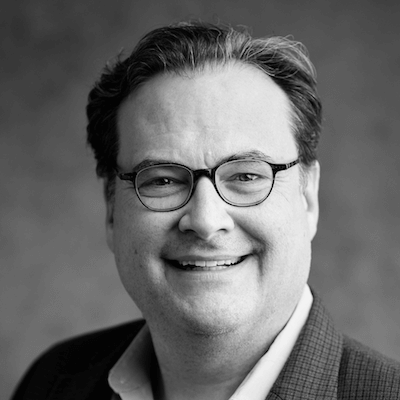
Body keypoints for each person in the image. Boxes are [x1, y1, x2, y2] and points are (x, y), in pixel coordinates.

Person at [12, 21, 400, 400]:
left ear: (308, 198)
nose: (205, 220)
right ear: (112, 209)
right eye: (162, 180)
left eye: (247, 176)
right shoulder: (53, 382)